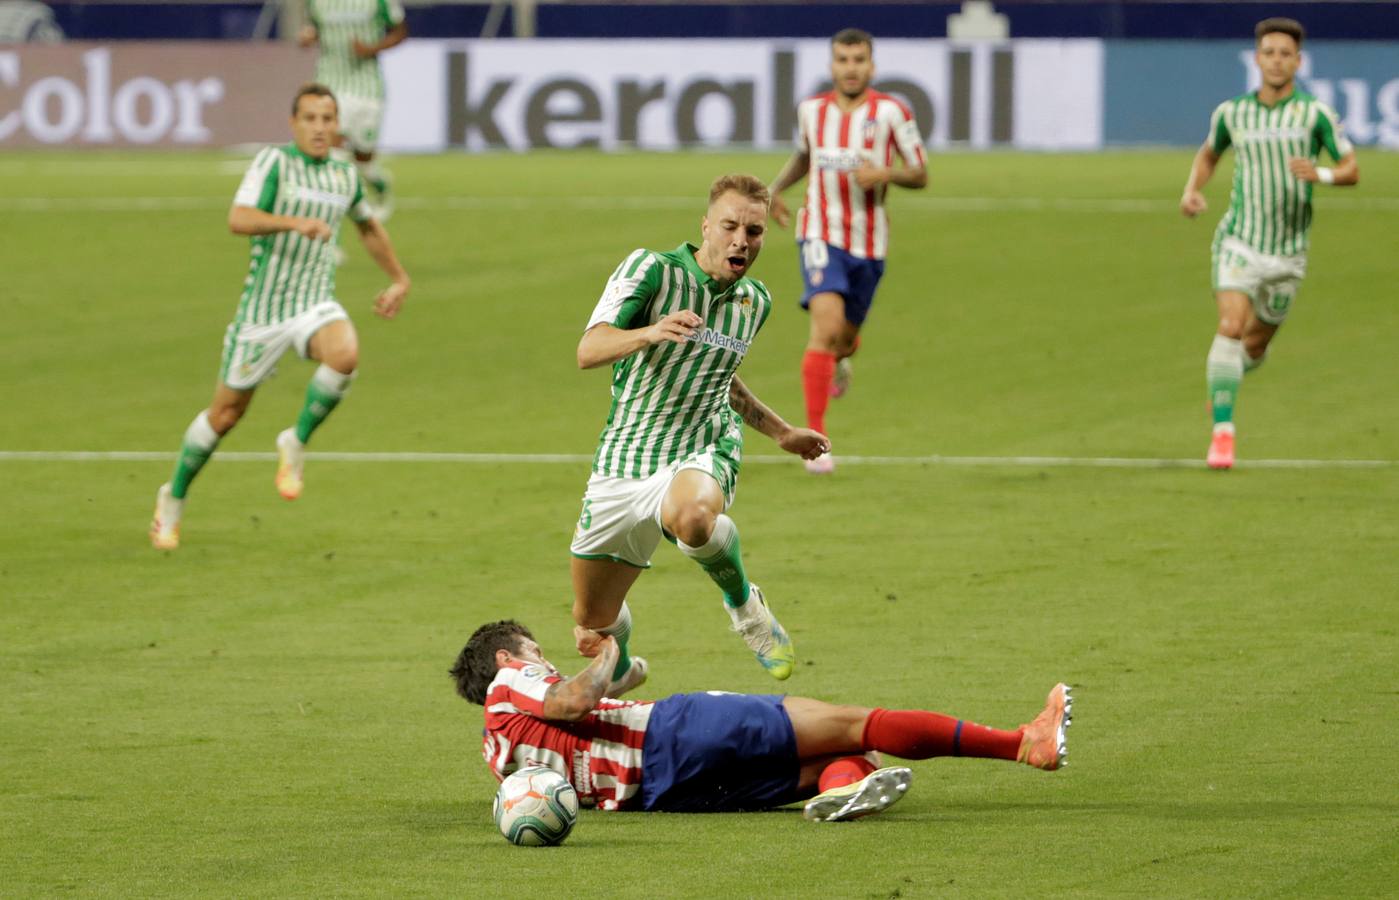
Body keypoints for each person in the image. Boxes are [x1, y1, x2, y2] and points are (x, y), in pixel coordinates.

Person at [570, 174, 830, 692]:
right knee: (590, 625)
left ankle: (747, 611)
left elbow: (718, 374)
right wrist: (650, 330)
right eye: (730, 226)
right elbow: (589, 350)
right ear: (706, 226)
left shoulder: (754, 301)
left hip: (703, 445)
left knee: (691, 517)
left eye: (754, 231)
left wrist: (779, 432)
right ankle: (621, 672)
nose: (741, 241)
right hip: (626, 456)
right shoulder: (652, 270)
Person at [451, 620, 1072, 820]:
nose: (544, 659)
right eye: (535, 651)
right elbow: (571, 701)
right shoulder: (512, 682)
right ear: (506, 658)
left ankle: (843, 787)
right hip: (677, 731)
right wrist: (608, 644)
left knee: (847, 761)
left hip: (664, 796)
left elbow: (577, 717)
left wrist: (617, 672)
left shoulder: (497, 756)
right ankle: (1023, 744)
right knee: (859, 724)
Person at [149, 84, 411, 550]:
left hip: (314, 303)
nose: (319, 128)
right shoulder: (274, 163)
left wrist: (398, 278)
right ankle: (172, 499)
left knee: (345, 353)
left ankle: (296, 440)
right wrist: (294, 223)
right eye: (310, 119)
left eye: (327, 119)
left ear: (337, 126)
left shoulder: (344, 174)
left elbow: (368, 226)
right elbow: (239, 217)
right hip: (262, 313)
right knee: (226, 414)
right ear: (294, 124)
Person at [1180, 17, 1358, 470]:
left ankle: (1227, 382)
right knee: (1230, 327)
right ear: (1256, 58)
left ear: (1298, 61)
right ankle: (1223, 433)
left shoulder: (1314, 115)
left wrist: (1318, 174)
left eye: (1285, 54)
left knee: (1253, 348)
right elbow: (1210, 152)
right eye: (1268, 52)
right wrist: (1192, 189)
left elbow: (1351, 169)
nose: (1276, 61)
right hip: (1239, 240)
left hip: (1288, 254)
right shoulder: (1231, 113)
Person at [768, 28, 928, 474]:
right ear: (832, 65)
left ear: (871, 66)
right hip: (819, 231)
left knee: (843, 339)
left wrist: (886, 173)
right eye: (843, 59)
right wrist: (774, 188)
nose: (851, 67)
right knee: (825, 328)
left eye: (859, 59)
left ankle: (839, 359)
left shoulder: (893, 113)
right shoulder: (811, 111)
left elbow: (920, 173)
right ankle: (816, 443)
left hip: (870, 242)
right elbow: (806, 157)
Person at [298, 0, 408, 218]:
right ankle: (328, 222)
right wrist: (309, 36)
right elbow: (316, 29)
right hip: (329, 84)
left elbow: (400, 32)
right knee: (331, 153)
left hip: (367, 88)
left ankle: (379, 184)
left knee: (363, 159)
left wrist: (372, 48)